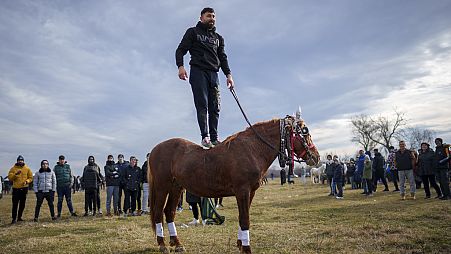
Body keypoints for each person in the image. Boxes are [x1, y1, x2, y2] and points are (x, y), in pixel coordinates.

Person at [175, 7, 234, 149]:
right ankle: (205, 137)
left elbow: (223, 57)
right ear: (201, 18)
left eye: (213, 16)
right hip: (198, 71)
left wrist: (228, 75)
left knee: (215, 107)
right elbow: (180, 50)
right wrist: (180, 67)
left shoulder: (218, 38)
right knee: (202, 105)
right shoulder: (193, 32)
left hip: (214, 74)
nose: (212, 18)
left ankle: (214, 138)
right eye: (209, 16)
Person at [8, 155, 33, 224]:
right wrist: (15, 174)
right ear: (17, 161)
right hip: (16, 189)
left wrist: (27, 181)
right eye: (19, 160)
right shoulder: (13, 169)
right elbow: (10, 178)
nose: (20, 161)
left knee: (22, 204)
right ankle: (14, 219)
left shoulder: (27, 169)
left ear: (23, 161)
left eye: (21, 160)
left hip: (24, 188)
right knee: (15, 204)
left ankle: (19, 217)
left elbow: (30, 177)